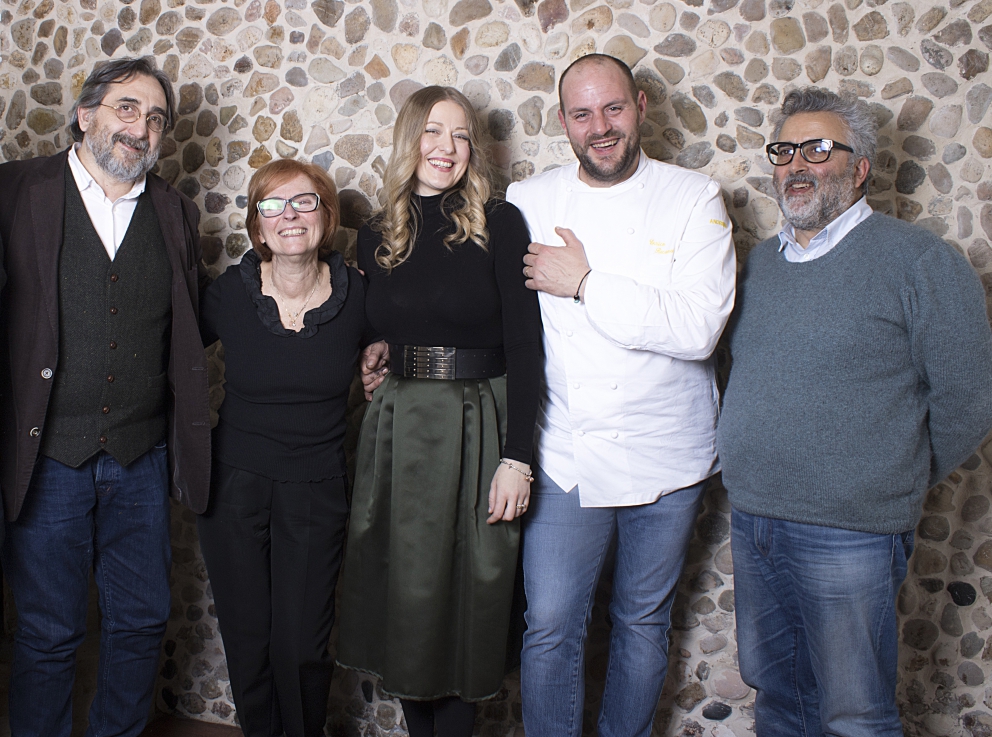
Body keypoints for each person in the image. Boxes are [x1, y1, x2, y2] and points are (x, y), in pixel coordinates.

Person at [717, 86, 992, 736]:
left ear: (860, 167)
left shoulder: (919, 262)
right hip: (757, 521)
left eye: (818, 148)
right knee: (779, 697)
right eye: (785, 149)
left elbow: (969, 399)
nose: (796, 163)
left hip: (850, 532)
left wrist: (885, 476)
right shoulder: (762, 266)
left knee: (855, 714)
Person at [505, 53, 736, 737]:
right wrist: (384, 345)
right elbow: (475, 300)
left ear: (639, 105)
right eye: (582, 114)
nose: (600, 127)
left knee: (641, 621)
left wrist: (585, 282)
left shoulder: (695, 198)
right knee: (549, 622)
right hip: (566, 451)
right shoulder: (529, 200)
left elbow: (696, 328)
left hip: (667, 455)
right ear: (563, 121)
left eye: (612, 109)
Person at [0, 57, 210, 737]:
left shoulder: (176, 213)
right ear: (85, 115)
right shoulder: (15, 192)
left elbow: (191, 324)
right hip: (46, 458)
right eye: (126, 108)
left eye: (155, 118)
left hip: (140, 459)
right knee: (48, 632)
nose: (140, 127)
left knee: (141, 621)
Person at [335, 85, 543, 737]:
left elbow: (525, 345)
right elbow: (377, 325)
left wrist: (519, 457)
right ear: (409, 140)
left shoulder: (499, 221)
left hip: (479, 424)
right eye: (432, 131)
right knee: (410, 596)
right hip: (397, 429)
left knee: (469, 596)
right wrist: (373, 351)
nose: (447, 147)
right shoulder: (376, 233)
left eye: (460, 135)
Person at [197, 159, 376, 737]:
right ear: (257, 224)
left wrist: (389, 354)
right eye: (272, 206)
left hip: (316, 486)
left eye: (303, 202)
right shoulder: (228, 294)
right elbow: (164, 346)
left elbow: (411, 330)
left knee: (300, 645)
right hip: (235, 486)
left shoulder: (360, 298)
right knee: (247, 640)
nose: (289, 216)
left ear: (327, 215)